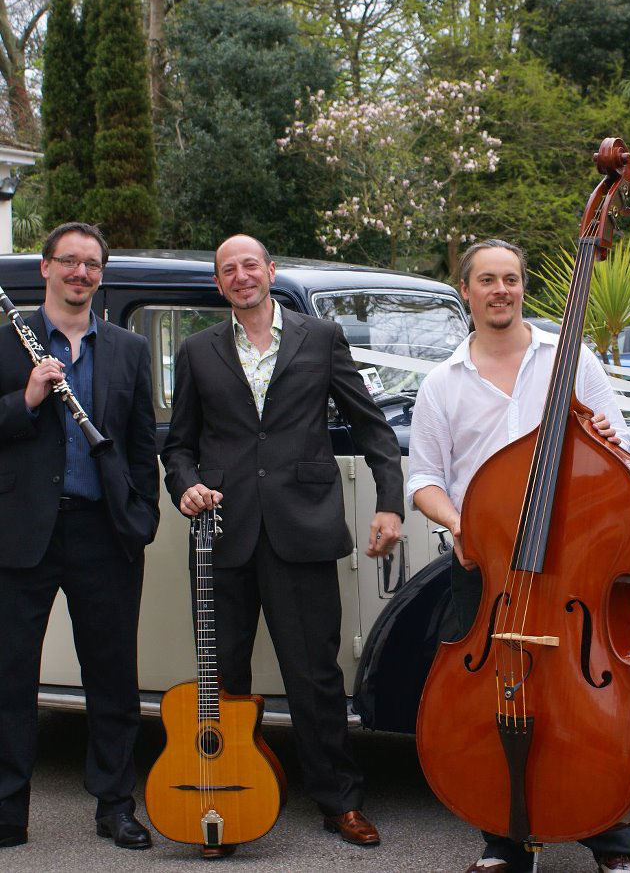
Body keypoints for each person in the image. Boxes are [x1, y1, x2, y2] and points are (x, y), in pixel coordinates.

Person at [407, 238, 630, 873]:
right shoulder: (442, 383)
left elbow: (620, 448)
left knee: (583, 698)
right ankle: (504, 841)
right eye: (487, 280)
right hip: (486, 569)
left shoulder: (571, 360)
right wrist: (459, 522)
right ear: (466, 290)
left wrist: (603, 438)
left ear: (523, 286)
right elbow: (423, 478)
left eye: (510, 279)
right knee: (493, 699)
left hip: (570, 565)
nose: (501, 291)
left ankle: (611, 838)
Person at [161, 233, 403, 848]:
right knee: (223, 676)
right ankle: (226, 798)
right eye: (228, 269)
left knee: (314, 674)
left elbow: (372, 428)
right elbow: (179, 445)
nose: (241, 276)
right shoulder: (196, 351)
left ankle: (339, 801)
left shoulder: (320, 338)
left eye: (250, 265)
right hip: (222, 533)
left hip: (304, 528)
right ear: (218, 283)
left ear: (269, 271)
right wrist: (185, 485)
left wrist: (389, 503)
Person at [0, 222, 160, 851]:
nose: (80, 273)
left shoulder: (127, 348)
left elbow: (141, 441)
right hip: (21, 531)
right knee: (10, 677)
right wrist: (27, 398)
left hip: (104, 530)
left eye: (91, 264)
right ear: (45, 268)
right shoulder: (7, 341)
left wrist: (142, 516)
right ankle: (8, 811)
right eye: (68, 261)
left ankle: (115, 806)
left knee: (112, 677)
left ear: (100, 275)